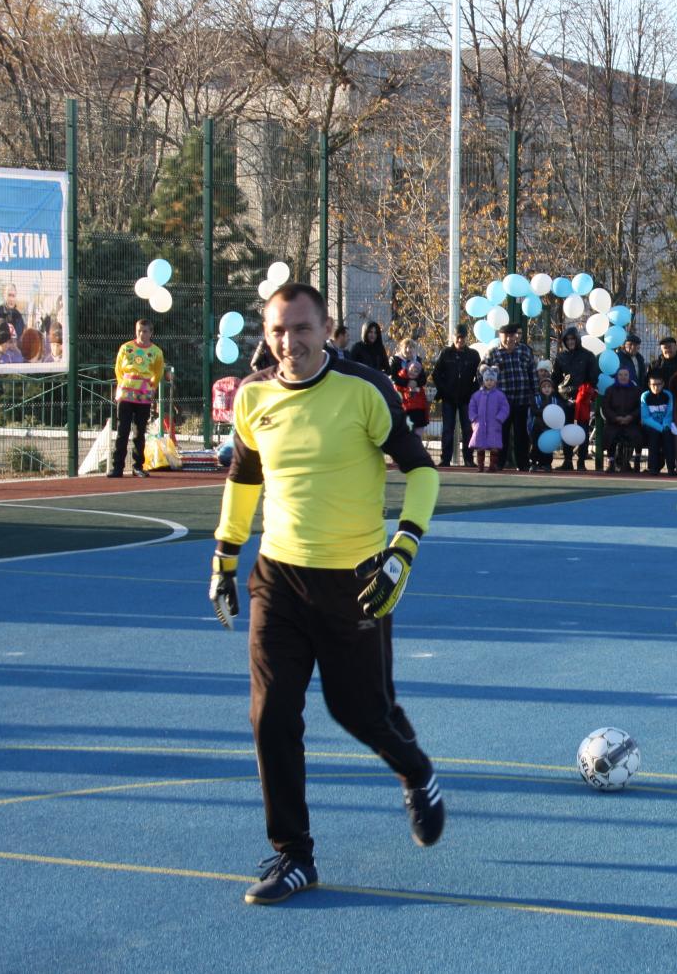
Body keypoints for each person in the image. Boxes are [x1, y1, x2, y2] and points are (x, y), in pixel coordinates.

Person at [206, 282, 443, 905]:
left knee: (361, 712)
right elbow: (244, 478)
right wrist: (224, 558)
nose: (290, 342)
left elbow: (421, 470)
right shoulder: (253, 396)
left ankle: (416, 772)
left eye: (302, 328)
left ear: (328, 326)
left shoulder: (365, 389)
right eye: (278, 330)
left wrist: (403, 551)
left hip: (356, 582)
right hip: (278, 581)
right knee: (271, 714)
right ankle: (294, 854)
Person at [107, 318, 166, 478]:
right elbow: (118, 369)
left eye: (145, 331)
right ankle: (117, 467)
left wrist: (151, 387)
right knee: (122, 430)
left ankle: (138, 466)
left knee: (139, 432)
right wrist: (123, 384)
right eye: (139, 330)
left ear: (151, 333)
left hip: (143, 394)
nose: (141, 334)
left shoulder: (156, 352)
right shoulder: (126, 348)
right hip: (126, 393)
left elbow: (158, 372)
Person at [485, 324, 537, 471]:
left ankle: (523, 464)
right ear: (500, 336)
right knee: (502, 433)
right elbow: (482, 373)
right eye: (505, 335)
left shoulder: (525, 350)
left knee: (522, 434)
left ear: (516, 336)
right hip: (501, 403)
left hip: (522, 399)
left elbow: (532, 373)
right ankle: (499, 463)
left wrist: (535, 394)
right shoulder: (492, 353)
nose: (509, 339)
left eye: (511, 335)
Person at [433, 324, 481, 467]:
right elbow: (436, 374)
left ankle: (468, 459)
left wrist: (473, 391)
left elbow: (479, 376)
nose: (460, 340)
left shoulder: (473, 355)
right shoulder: (445, 353)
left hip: (467, 398)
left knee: (468, 429)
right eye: (458, 337)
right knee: (448, 429)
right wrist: (444, 390)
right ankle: (445, 459)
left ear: (466, 338)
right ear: (454, 337)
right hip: (448, 398)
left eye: (463, 337)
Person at [552, 327, 598, 469]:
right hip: (565, 398)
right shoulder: (560, 357)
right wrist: (559, 393)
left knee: (583, 431)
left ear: (577, 339)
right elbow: (555, 378)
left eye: (573, 339)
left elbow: (593, 378)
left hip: (582, 399)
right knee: (566, 430)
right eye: (567, 339)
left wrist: (586, 393)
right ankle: (567, 461)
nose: (570, 341)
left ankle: (581, 462)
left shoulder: (588, 356)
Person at [467, 367, 510, 471]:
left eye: (491, 380)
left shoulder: (500, 395)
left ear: (495, 381)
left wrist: (499, 418)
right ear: (483, 381)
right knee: (480, 446)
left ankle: (492, 466)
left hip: (494, 425)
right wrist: (474, 419)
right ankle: (480, 466)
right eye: (487, 380)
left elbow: (505, 408)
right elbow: (472, 408)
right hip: (480, 425)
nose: (489, 382)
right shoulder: (476, 395)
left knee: (494, 446)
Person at [601, 365, 642, 472]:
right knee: (610, 434)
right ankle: (611, 463)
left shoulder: (637, 390)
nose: (623, 377)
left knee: (636, 435)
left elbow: (640, 407)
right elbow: (605, 407)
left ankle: (628, 462)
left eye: (625, 375)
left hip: (631, 422)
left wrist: (631, 417)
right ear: (616, 376)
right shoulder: (610, 390)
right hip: (614, 422)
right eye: (620, 375)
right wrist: (616, 418)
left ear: (630, 376)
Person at [638, 371, 676, 474]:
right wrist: (660, 428)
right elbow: (645, 418)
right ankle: (653, 468)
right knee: (654, 434)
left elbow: (669, 414)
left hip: (665, 426)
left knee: (668, 435)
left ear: (663, 384)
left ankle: (671, 468)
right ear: (649, 385)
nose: (656, 387)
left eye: (659, 384)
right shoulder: (645, 396)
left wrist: (665, 426)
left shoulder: (668, 395)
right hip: (650, 427)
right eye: (653, 385)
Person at [530, 375, 569, 472]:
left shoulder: (556, 400)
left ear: (552, 388)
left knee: (548, 446)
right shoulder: (535, 399)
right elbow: (534, 411)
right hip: (537, 426)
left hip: (549, 428)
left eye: (548, 387)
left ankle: (546, 464)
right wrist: (546, 411)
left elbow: (560, 412)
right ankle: (534, 463)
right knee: (535, 446)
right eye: (544, 387)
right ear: (540, 388)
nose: (546, 389)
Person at [392, 338, 429, 430]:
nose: (408, 350)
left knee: (418, 426)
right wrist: (407, 383)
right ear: (401, 348)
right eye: (406, 347)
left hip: (416, 398)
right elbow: (392, 377)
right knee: (403, 427)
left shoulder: (418, 360)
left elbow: (423, 379)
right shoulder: (395, 360)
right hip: (401, 398)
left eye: (411, 347)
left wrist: (415, 382)